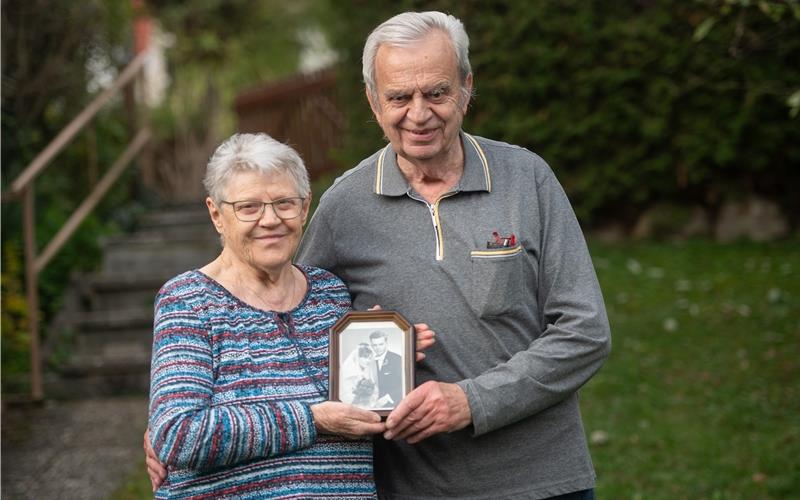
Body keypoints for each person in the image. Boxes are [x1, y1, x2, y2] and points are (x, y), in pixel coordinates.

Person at [149, 10, 610, 499]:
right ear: (373, 102)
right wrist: (177, 422)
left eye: (437, 92)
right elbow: (283, 324)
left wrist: (470, 401)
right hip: (412, 487)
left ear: (467, 88)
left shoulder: (526, 179)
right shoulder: (345, 205)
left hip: (543, 481)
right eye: (399, 97)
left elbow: (585, 331)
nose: (419, 113)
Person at [145, 132, 435, 499]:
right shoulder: (187, 301)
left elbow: (360, 402)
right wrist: (311, 419)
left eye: (284, 202)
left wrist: (386, 357)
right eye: (248, 207)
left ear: (304, 207)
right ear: (217, 214)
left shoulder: (330, 294)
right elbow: (178, 435)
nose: (270, 220)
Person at [369, 330, 403, 406]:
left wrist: (388, 397)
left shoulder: (397, 359)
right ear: (371, 345)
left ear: (386, 343)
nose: (377, 348)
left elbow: (405, 384)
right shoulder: (369, 361)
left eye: (380, 344)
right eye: (375, 345)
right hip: (373, 404)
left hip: (394, 404)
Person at [341, 342, 380, 407]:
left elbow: (375, 393)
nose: (368, 361)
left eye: (369, 358)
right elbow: (345, 396)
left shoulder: (366, 373)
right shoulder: (349, 373)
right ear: (357, 357)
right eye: (365, 357)